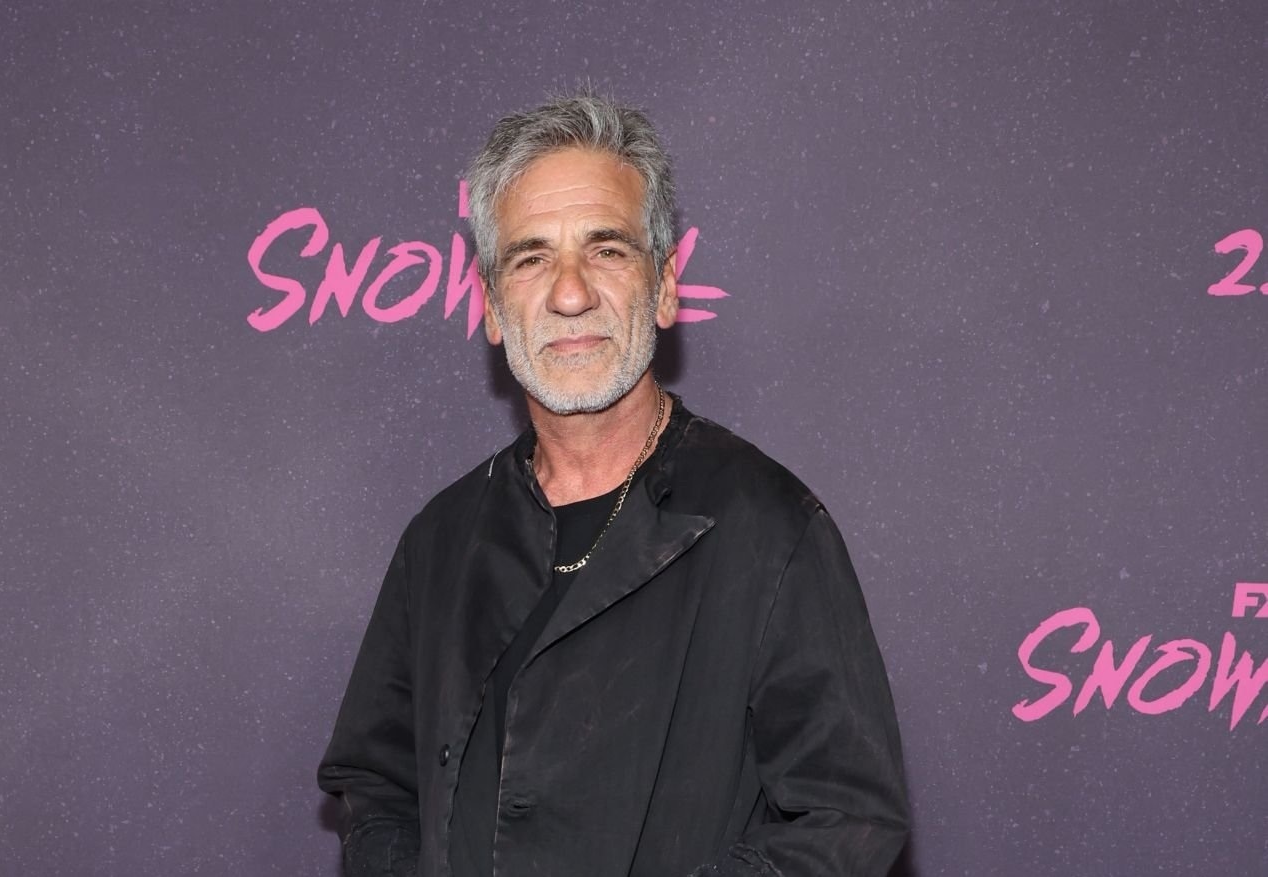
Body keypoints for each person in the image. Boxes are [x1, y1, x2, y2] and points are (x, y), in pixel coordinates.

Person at [318, 92, 909, 876]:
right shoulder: (440, 539)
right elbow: (377, 784)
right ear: (491, 305)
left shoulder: (769, 528)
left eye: (606, 250)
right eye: (531, 258)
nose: (570, 294)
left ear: (663, 286)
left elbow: (847, 819)